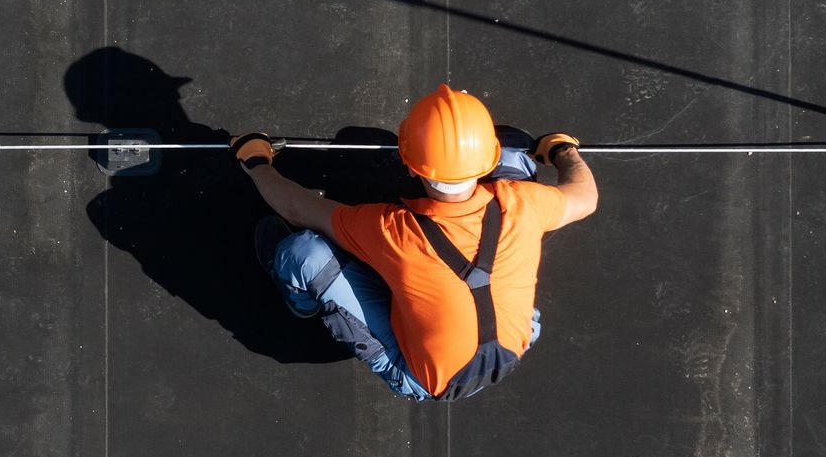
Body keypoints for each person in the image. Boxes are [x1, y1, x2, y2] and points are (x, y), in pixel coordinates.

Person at [231, 84, 597, 401]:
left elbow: (296, 208)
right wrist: (562, 150)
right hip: (511, 346)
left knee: (304, 254)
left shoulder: (390, 230)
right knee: (516, 155)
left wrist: (256, 161)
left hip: (427, 378)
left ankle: (301, 301)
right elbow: (585, 197)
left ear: (409, 166)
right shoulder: (526, 203)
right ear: (485, 162)